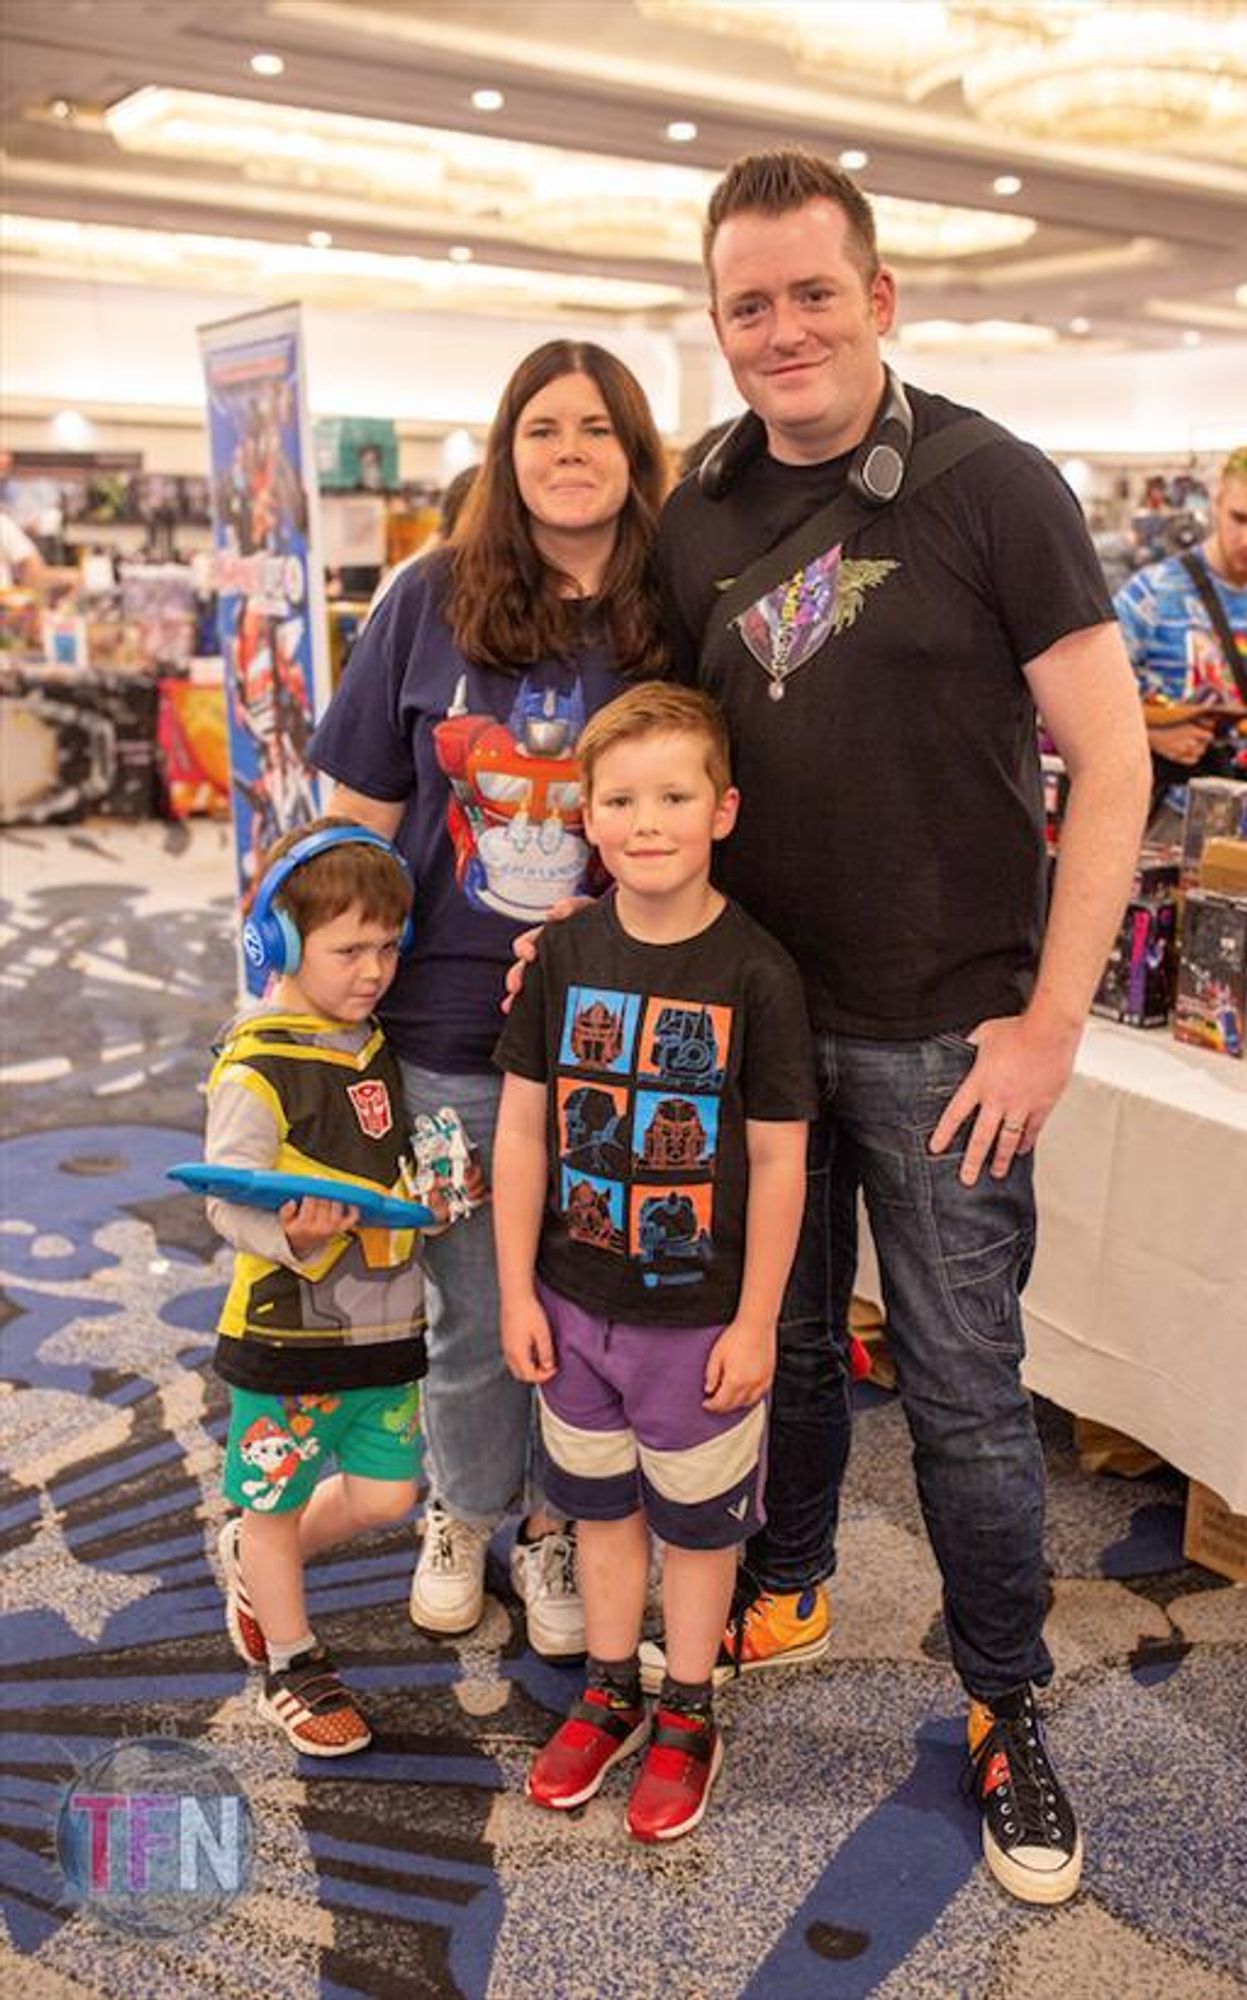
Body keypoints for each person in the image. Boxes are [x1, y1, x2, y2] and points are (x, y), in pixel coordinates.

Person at [640, 149, 1151, 1903]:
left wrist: (1053, 1024)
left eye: (810, 292)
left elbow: (1118, 757)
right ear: (719, 324)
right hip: (759, 1031)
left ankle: (1007, 1703)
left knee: (962, 1396)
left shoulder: (995, 483)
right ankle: (791, 1571)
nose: (780, 330)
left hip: (949, 1043)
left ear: (882, 297)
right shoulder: (696, 508)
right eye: (746, 305)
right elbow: (666, 752)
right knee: (776, 1351)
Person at [309, 341, 671, 1659]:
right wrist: (316, 1010)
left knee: (588, 1313)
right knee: (468, 1301)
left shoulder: (675, 614)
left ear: (633, 454)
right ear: (504, 452)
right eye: (540, 428)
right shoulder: (425, 600)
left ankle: (558, 1526)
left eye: (595, 428)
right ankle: (463, 1509)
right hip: (446, 1029)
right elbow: (354, 820)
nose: (568, 450)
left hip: (620, 1036)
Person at [492, 683, 814, 1841]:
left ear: (722, 809)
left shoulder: (758, 974)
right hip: (575, 1305)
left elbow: (782, 1163)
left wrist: (757, 1318)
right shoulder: (563, 953)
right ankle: (612, 1685)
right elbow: (521, 1129)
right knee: (600, 1510)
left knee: (699, 1521)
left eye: (674, 795)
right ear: (585, 815)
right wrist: (515, 1285)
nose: (647, 820)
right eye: (619, 798)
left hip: (700, 1315)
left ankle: (688, 1705)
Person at [206, 817, 480, 1755]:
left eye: (386, 949)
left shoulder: (373, 1043)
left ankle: (254, 1558)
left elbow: (390, 1161)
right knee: (275, 1501)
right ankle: (292, 1657)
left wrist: (433, 1193)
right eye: (347, 949)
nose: (372, 970)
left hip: (385, 1330)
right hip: (286, 1343)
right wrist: (287, 1235)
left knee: (385, 1498)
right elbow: (224, 1203)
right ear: (280, 942)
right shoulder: (256, 1064)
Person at [1114, 439, 1247, 834]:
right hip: (1153, 813)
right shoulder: (1152, 593)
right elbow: (1084, 700)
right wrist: (1151, 733)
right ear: (1217, 503)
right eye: (1238, 517)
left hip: (1246, 810)